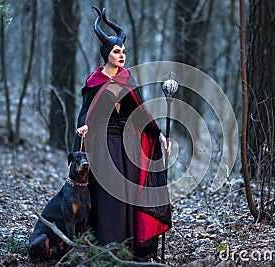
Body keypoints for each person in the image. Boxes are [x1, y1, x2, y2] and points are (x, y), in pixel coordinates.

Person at [73, 7, 172, 260]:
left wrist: (158, 134)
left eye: (124, 51)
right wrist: (84, 126)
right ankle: (107, 249)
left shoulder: (128, 80)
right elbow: (87, 113)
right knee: (107, 198)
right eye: (117, 51)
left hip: (128, 147)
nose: (122, 55)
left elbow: (140, 113)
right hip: (103, 147)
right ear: (106, 54)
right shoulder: (94, 82)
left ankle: (131, 247)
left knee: (129, 195)